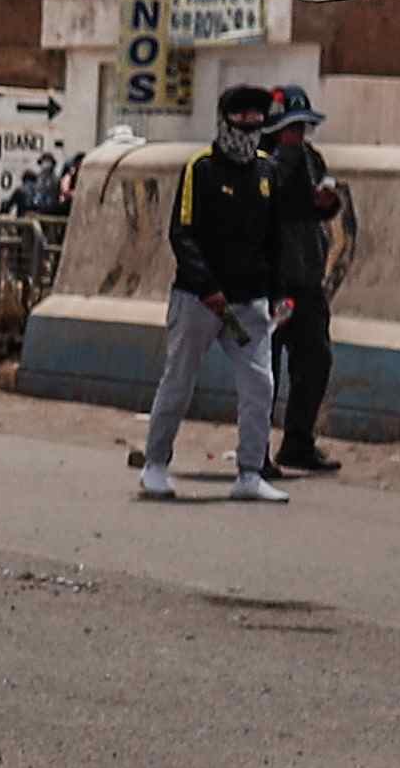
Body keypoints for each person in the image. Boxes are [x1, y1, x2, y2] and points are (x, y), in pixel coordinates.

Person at [136, 81, 294, 504]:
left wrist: (280, 293)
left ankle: (249, 471)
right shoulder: (201, 168)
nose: (250, 128)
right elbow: (182, 233)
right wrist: (207, 287)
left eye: (257, 121)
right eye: (242, 120)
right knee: (179, 380)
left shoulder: (267, 172)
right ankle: (155, 464)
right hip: (199, 302)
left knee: (261, 385)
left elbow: (276, 240)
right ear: (225, 123)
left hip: (249, 304)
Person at [266, 86, 355, 478]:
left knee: (315, 359)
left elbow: (322, 205)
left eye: (303, 128)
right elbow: (271, 200)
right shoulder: (263, 161)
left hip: (306, 277)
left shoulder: (310, 159)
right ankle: (254, 450)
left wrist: (327, 201)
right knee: (263, 370)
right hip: (271, 282)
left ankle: (298, 442)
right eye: (291, 128)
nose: (298, 135)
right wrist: (286, 158)